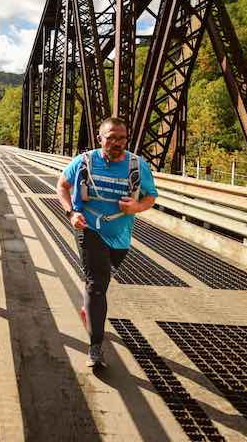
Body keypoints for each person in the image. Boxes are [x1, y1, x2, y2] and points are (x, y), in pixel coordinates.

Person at [55, 117, 158, 368]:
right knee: (97, 284)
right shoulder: (85, 161)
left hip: (120, 235)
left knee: (102, 282)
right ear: (100, 138)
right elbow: (62, 185)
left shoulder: (137, 165)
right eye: (111, 137)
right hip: (89, 228)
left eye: (121, 138)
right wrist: (71, 212)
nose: (116, 143)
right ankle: (96, 347)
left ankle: (89, 311)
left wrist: (137, 206)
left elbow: (151, 196)